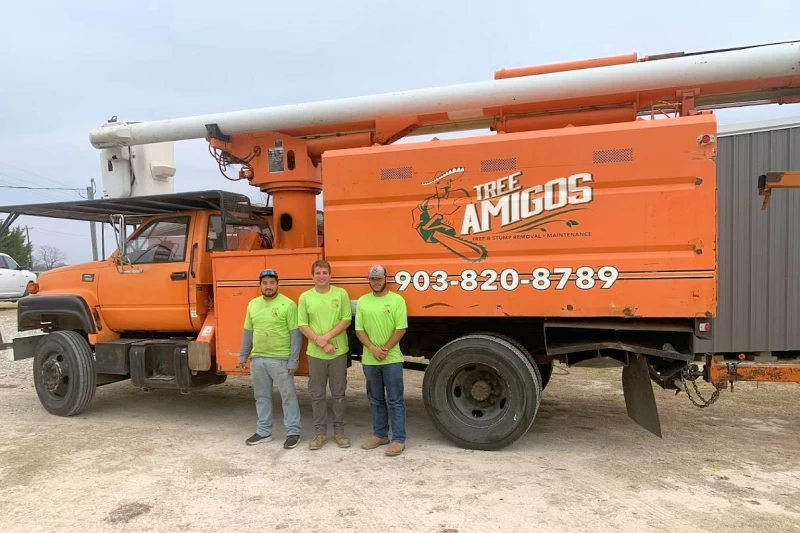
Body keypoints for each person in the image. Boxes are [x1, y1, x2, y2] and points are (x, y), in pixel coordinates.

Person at [239, 268, 302, 449]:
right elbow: (248, 332)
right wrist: (244, 354)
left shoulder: (288, 305)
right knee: (261, 397)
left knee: (288, 396)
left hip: (280, 359)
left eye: (272, 283)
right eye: (265, 283)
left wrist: (293, 360)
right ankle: (264, 431)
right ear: (260, 285)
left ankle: (293, 432)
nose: (268, 286)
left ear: (277, 284)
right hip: (258, 359)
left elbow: (295, 334)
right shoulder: (252, 305)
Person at [297, 260, 353, 450]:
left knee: (338, 393)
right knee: (317, 394)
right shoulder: (305, 297)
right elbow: (302, 324)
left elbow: (346, 319)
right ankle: (320, 434)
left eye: (324, 273)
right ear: (312, 276)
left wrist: (326, 338)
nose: (321, 276)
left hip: (338, 352)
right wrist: (318, 341)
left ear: (330, 275)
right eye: (318, 273)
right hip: (315, 353)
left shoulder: (341, 294)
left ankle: (339, 432)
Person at [355, 265, 408, 457]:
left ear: (386, 279)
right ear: (368, 280)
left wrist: (384, 349)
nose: (376, 282)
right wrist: (372, 348)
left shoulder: (396, 300)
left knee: (395, 400)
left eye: (379, 279)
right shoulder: (363, 301)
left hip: (391, 358)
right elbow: (359, 329)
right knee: (375, 399)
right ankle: (380, 435)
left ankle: (399, 439)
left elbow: (401, 328)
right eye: (372, 279)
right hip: (370, 359)